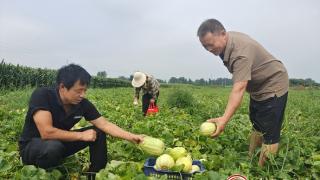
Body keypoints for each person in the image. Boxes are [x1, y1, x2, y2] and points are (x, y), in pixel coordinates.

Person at [18, 64, 144, 173]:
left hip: (59, 144)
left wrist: (131, 136)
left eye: (85, 90)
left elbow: (105, 124)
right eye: (78, 91)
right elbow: (46, 132)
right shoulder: (43, 95)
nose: (82, 95)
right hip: (32, 147)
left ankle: (95, 173)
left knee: (98, 132)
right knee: (53, 147)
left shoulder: (82, 104)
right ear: (62, 87)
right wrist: (81, 135)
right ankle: (44, 173)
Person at [197, 19, 289, 166]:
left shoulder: (240, 53)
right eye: (204, 46)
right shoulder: (225, 43)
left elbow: (238, 89)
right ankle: (251, 159)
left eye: (210, 44)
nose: (208, 49)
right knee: (257, 124)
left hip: (273, 85)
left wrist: (223, 120)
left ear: (223, 34)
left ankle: (261, 172)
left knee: (269, 133)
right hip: (258, 87)